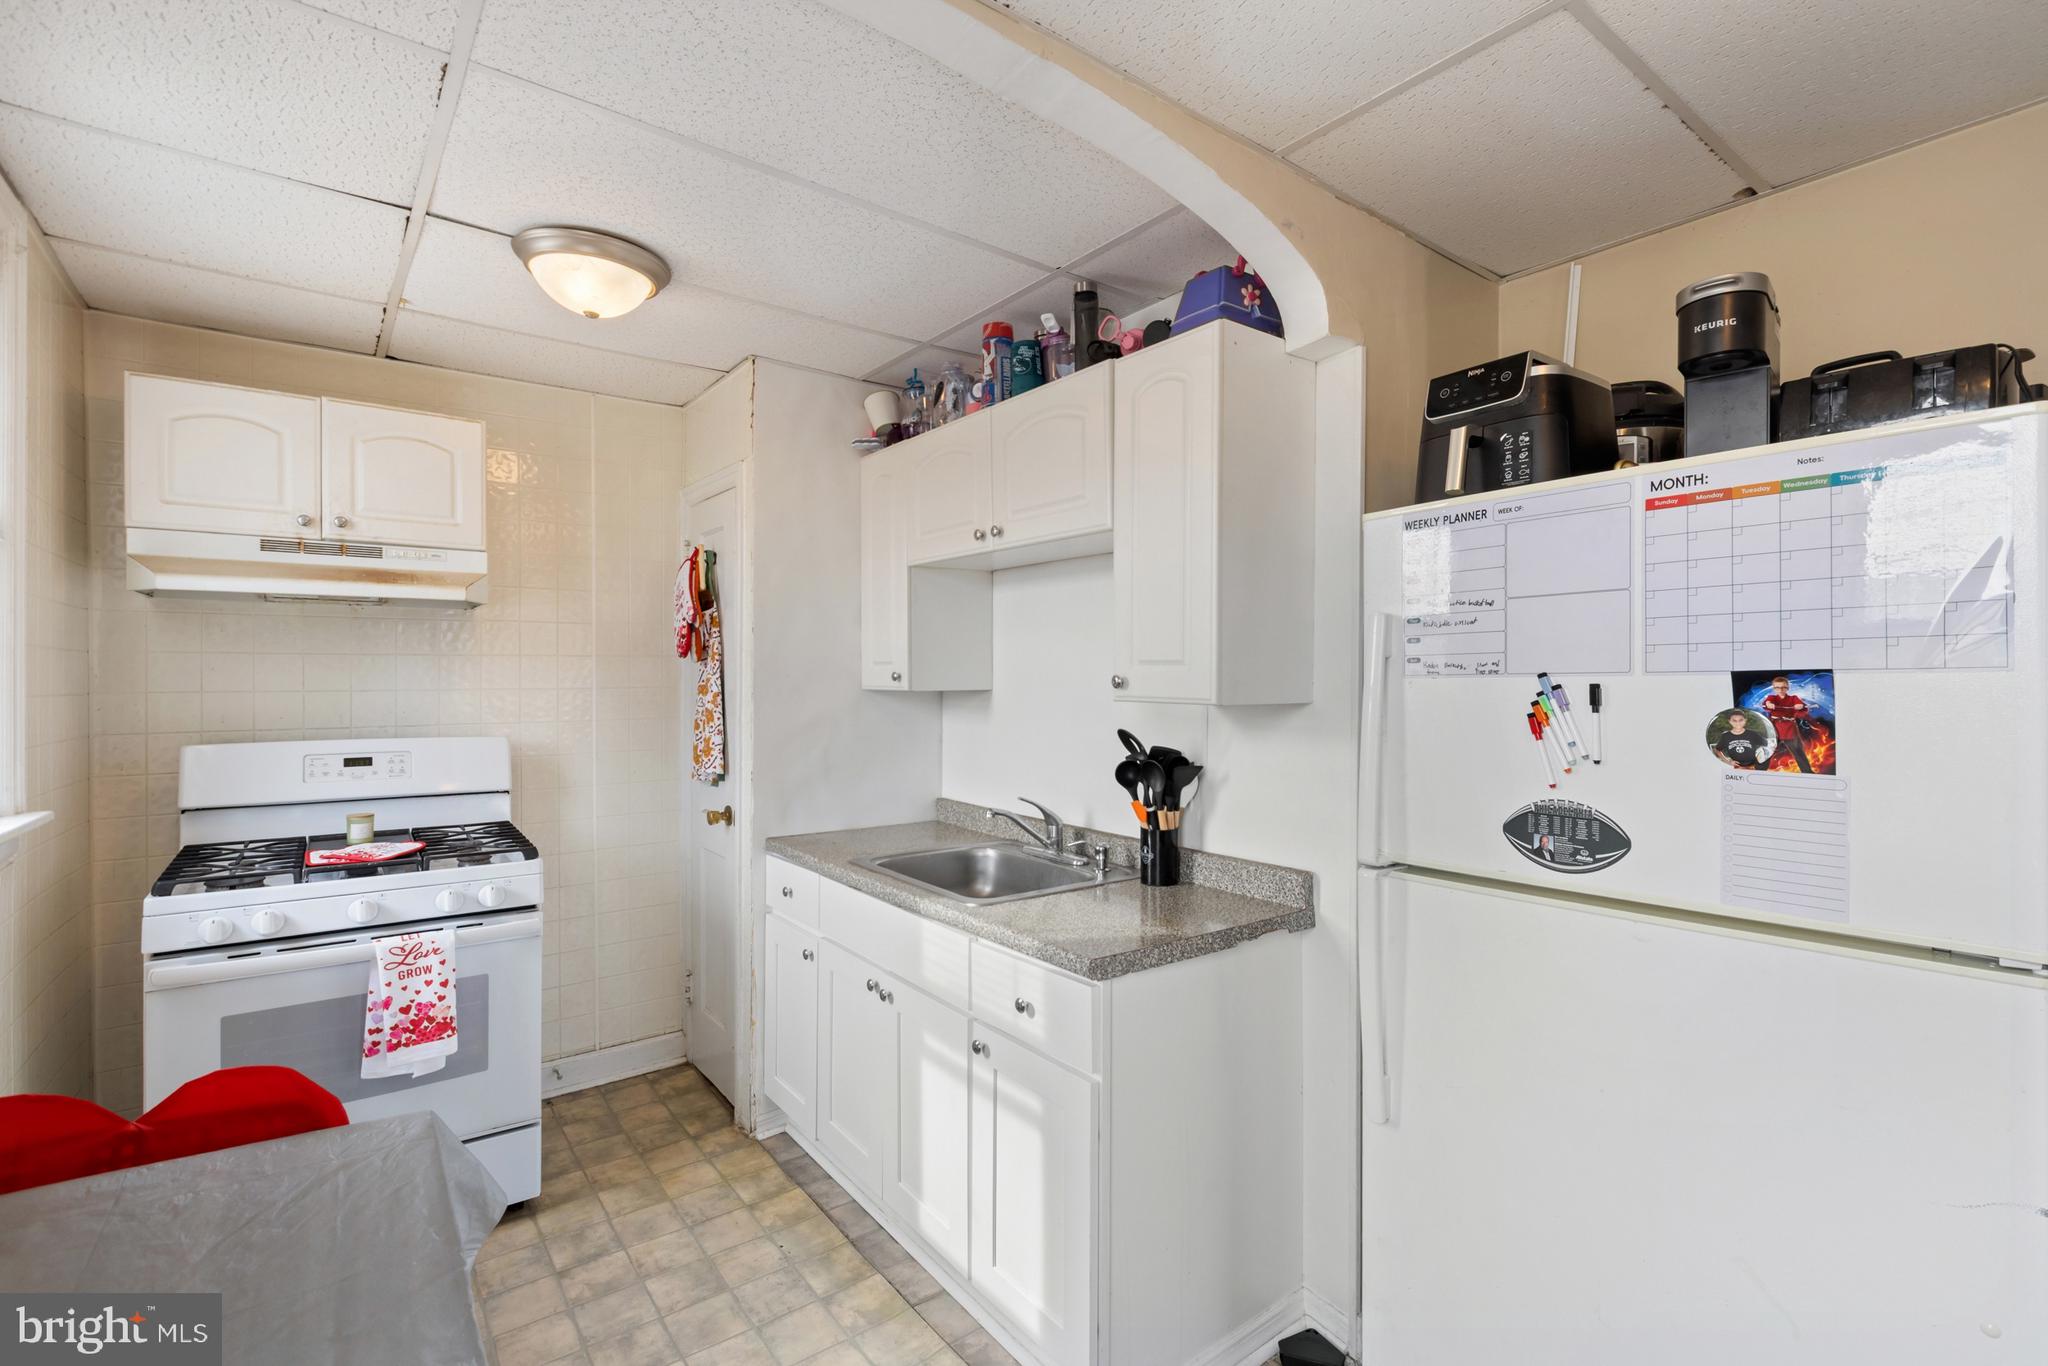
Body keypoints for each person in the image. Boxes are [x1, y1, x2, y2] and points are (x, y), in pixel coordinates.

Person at [1758, 674, 1813, 773]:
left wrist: (1799, 706)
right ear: (1774, 688)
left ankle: (1808, 772)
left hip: (1789, 729)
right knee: (1767, 750)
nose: (1780, 690)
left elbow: (1802, 706)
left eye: (1783, 687)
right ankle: (1759, 770)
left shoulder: (1793, 698)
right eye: (1777, 687)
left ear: (1787, 688)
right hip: (1774, 728)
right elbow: (1767, 703)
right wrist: (1769, 704)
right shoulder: (1771, 697)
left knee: (1798, 751)